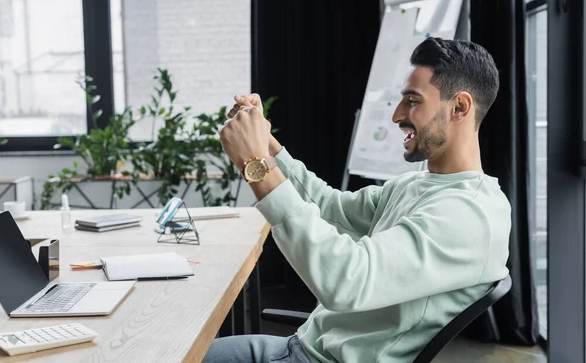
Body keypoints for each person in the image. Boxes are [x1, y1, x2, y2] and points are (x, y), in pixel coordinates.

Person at [203, 37, 511, 363]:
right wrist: (266, 145)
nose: (396, 115)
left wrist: (256, 165)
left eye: (412, 101)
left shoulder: (468, 216)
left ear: (459, 107)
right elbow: (331, 207)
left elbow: (347, 280)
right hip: (303, 346)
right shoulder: (419, 185)